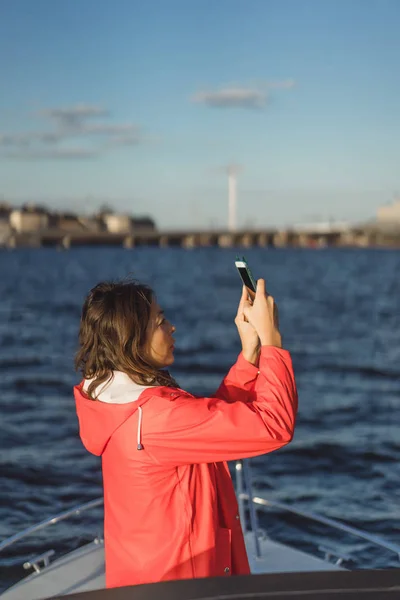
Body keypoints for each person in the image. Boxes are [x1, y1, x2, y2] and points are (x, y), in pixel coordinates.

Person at [74, 277, 298, 589]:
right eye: (160, 320)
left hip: (144, 582)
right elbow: (274, 425)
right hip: (186, 588)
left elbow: (206, 427)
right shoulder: (158, 417)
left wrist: (250, 354)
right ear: (132, 338)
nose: (171, 327)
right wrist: (272, 341)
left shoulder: (119, 406)